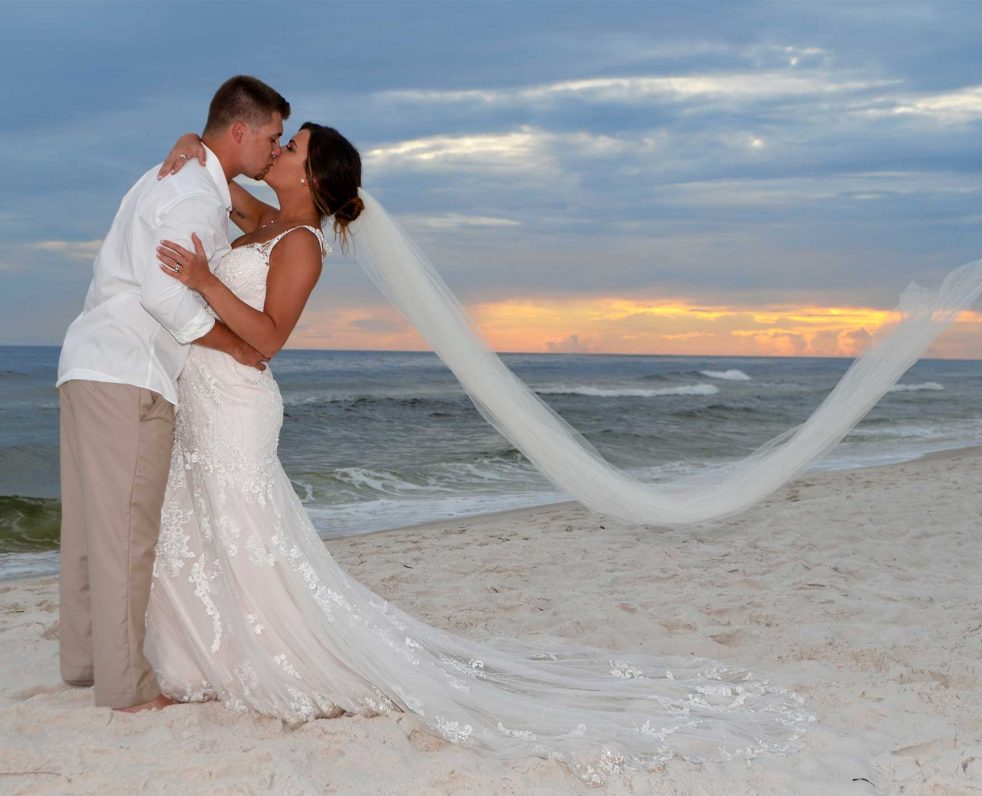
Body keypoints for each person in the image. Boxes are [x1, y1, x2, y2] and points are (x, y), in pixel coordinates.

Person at [142, 125, 811, 784]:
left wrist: (204, 279)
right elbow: (221, 181)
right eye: (282, 140)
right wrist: (190, 144)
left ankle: (260, 659)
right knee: (204, 528)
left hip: (238, 404)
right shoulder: (263, 222)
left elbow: (266, 336)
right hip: (204, 398)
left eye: (294, 147)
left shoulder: (300, 245)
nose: (279, 150)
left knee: (245, 532)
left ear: (313, 179)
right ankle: (207, 656)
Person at [54, 75, 289, 713]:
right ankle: (127, 690)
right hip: (129, 371)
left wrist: (192, 141)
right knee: (127, 532)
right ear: (239, 131)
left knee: (85, 529)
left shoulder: (169, 176)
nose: (275, 149)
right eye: (270, 136)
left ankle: (83, 661)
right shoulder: (192, 194)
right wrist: (234, 347)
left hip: (87, 362)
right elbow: (164, 295)